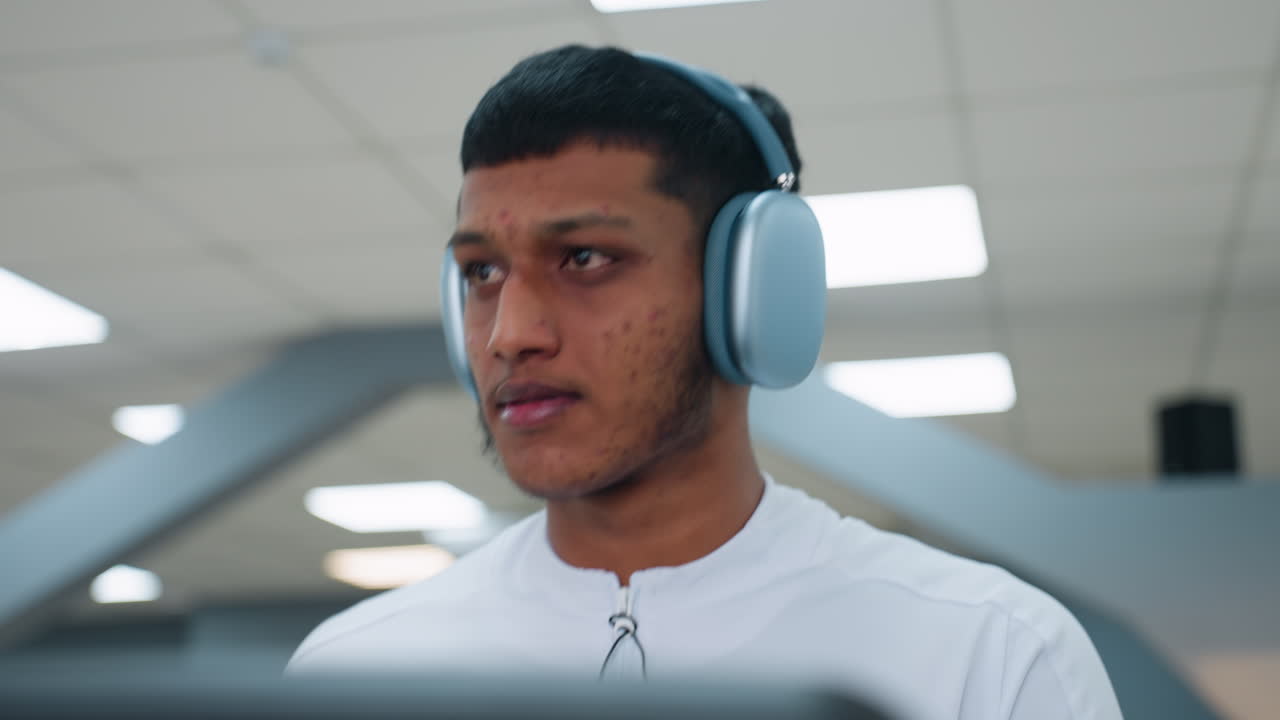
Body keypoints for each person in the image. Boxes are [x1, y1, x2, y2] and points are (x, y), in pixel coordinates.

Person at [287, 45, 1122, 720]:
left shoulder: (987, 654)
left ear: (746, 292)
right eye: (480, 273)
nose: (510, 335)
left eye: (585, 258)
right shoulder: (352, 673)